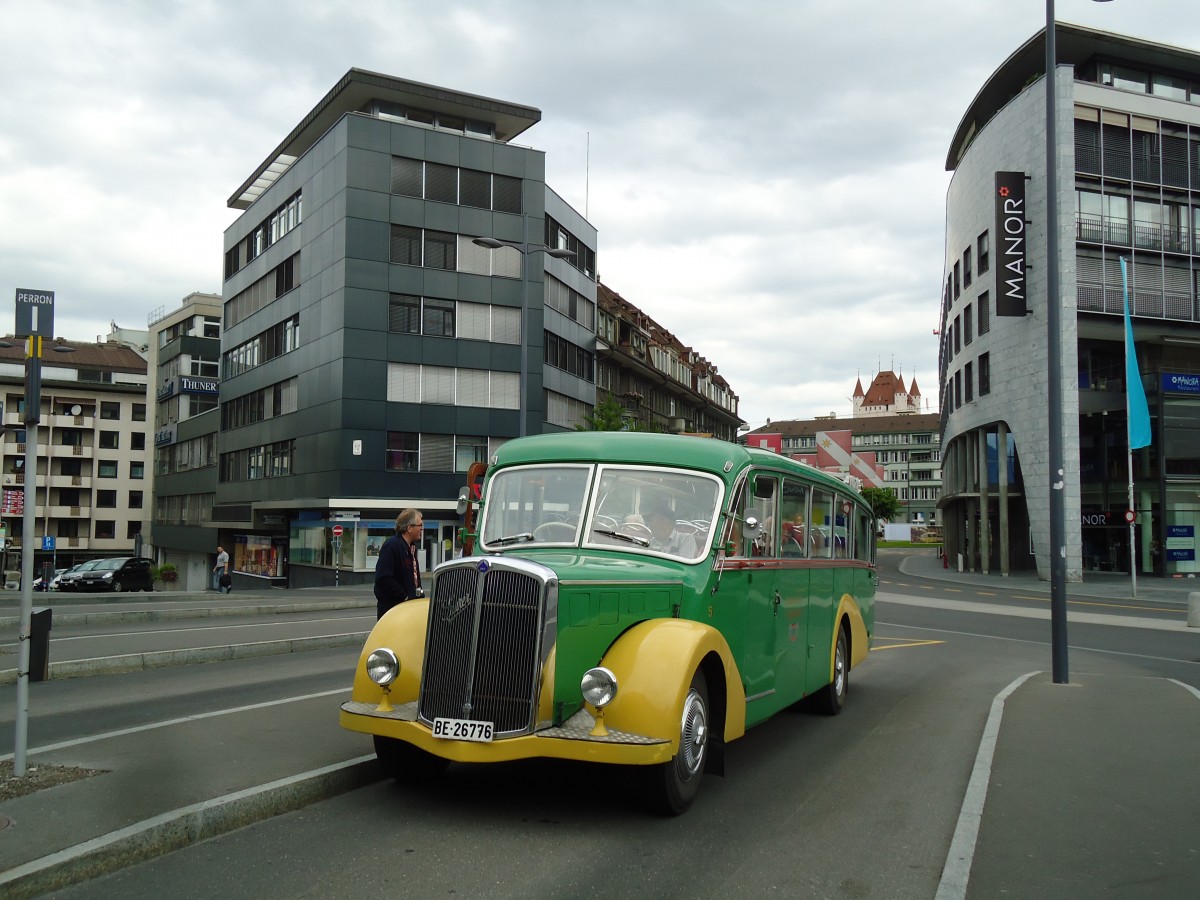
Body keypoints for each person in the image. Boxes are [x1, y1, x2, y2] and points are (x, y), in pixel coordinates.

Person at [374, 509, 424, 619]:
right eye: (419, 525)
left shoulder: (412, 548)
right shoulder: (391, 546)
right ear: (409, 528)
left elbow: (414, 578)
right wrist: (405, 596)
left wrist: (419, 597)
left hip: (408, 609)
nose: (422, 528)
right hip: (393, 611)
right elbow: (383, 578)